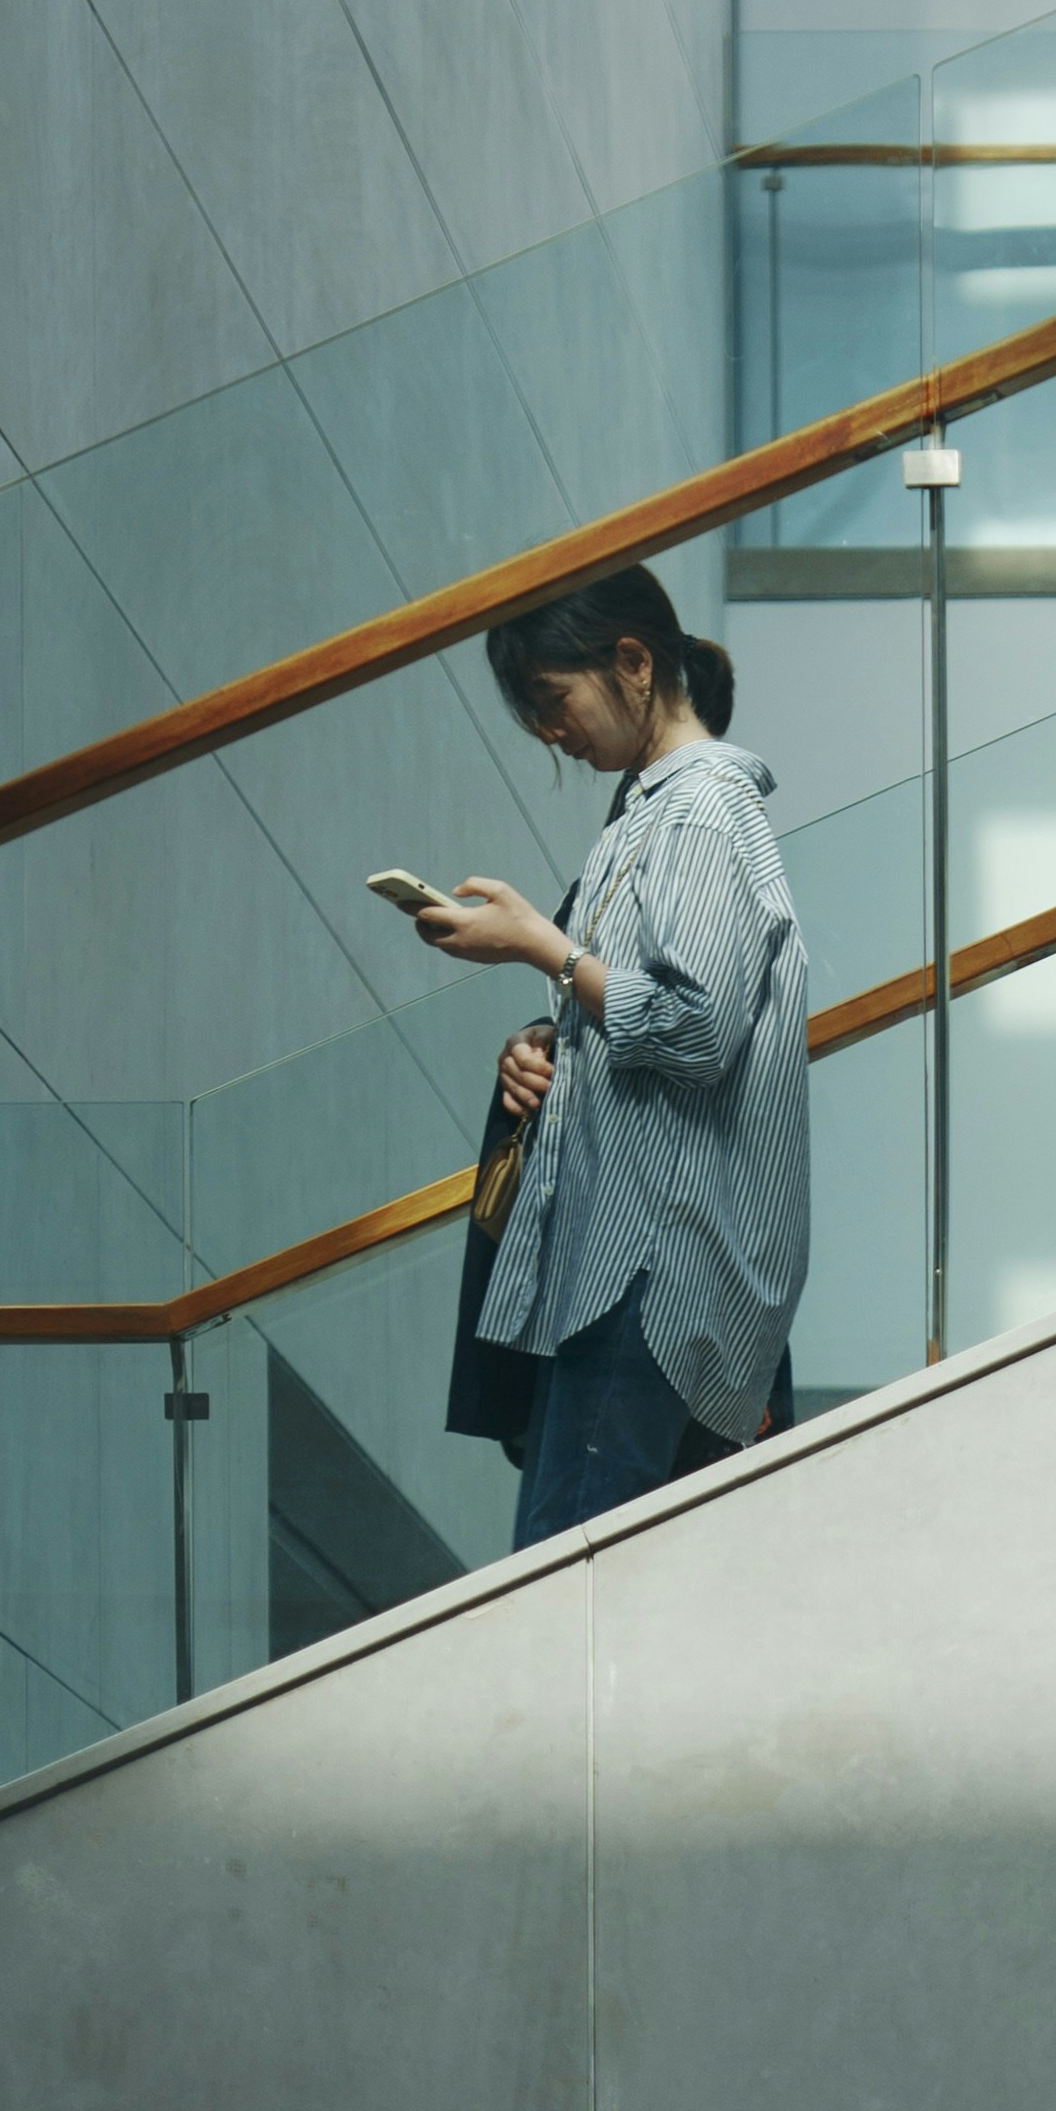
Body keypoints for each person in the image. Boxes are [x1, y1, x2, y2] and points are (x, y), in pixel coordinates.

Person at [416, 563, 809, 1546]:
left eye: (554, 699)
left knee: (565, 1601)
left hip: (648, 1269)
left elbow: (694, 1027)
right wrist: (544, 1042)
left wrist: (538, 946)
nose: (551, 731)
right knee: (613, 1604)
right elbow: (645, 1010)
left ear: (633, 661)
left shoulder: (697, 810)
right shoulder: (652, 813)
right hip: (628, 1262)